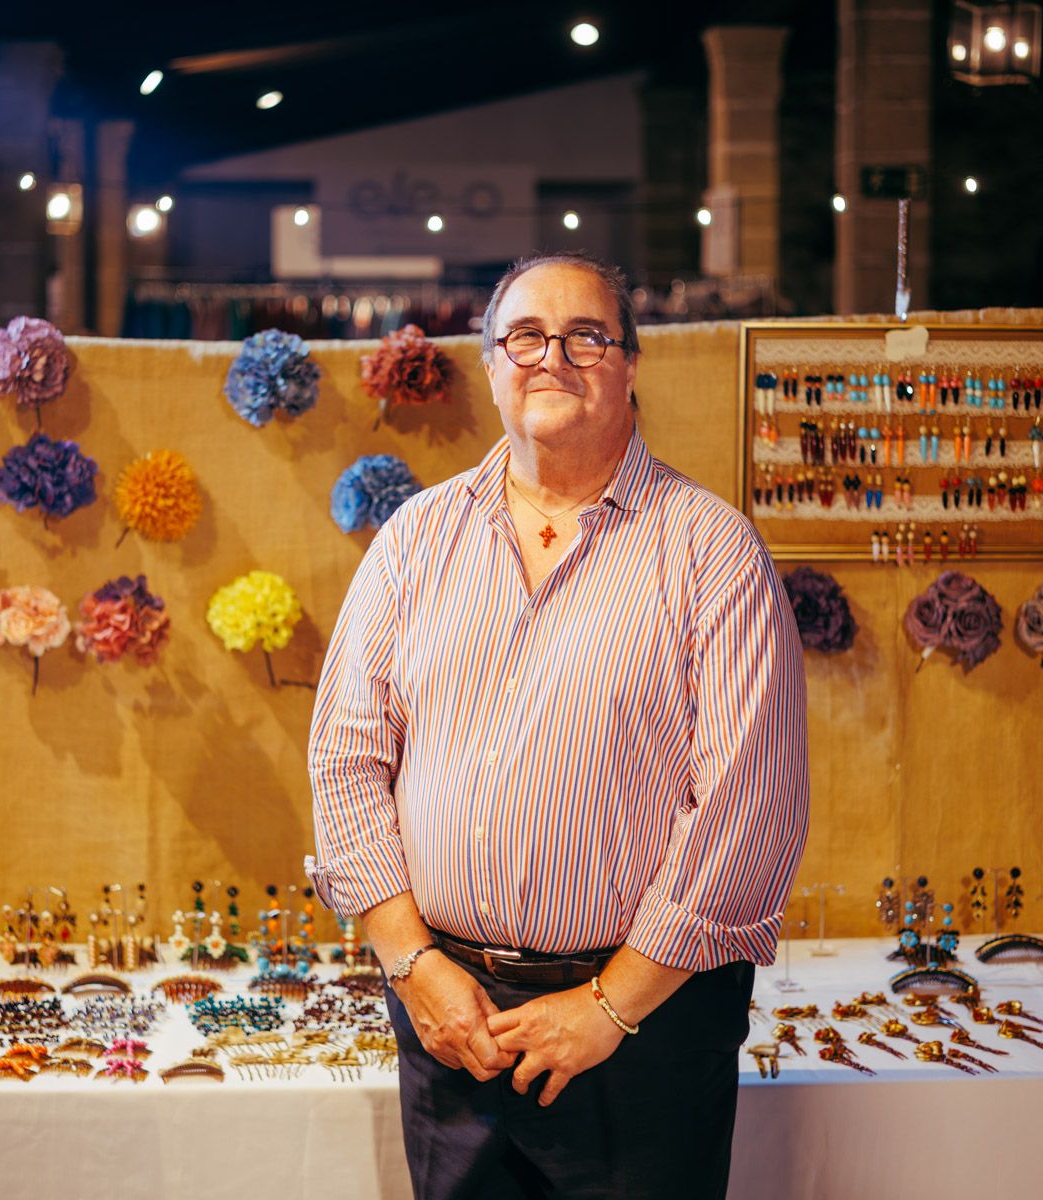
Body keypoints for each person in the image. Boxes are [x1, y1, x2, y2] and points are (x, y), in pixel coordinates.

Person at [307, 251, 808, 1199]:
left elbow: (751, 810)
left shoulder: (712, 552)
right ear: (492, 365)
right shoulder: (415, 541)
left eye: (586, 336)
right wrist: (412, 965)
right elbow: (345, 761)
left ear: (628, 364)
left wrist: (609, 1010)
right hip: (453, 1019)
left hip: (647, 1027)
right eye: (525, 337)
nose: (553, 358)